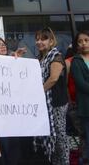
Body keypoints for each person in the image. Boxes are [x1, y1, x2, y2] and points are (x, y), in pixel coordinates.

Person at [0, 37, 26, 165]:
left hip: (12, 114)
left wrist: (17, 61)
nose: (3, 46)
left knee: (14, 146)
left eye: (3, 44)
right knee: (2, 146)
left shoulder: (12, 60)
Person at [33, 27, 69, 165]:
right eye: (37, 39)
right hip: (46, 104)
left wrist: (38, 92)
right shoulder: (39, 58)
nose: (39, 42)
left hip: (56, 103)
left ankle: (64, 162)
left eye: (43, 38)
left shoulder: (56, 56)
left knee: (59, 137)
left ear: (51, 41)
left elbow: (53, 78)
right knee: (51, 136)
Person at [71, 30, 89, 164]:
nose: (83, 44)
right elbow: (81, 84)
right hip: (86, 107)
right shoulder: (76, 61)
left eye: (86, 40)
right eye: (80, 42)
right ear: (77, 45)